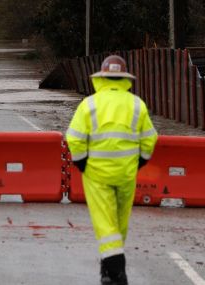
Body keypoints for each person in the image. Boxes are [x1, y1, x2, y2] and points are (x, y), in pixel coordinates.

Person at [66, 55, 158, 285]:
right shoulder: (136, 104)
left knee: (105, 223)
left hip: (97, 174)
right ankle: (107, 270)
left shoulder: (90, 104)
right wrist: (141, 162)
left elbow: (74, 138)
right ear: (124, 78)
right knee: (119, 222)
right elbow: (149, 138)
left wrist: (81, 162)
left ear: (102, 78)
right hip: (126, 173)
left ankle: (117, 272)